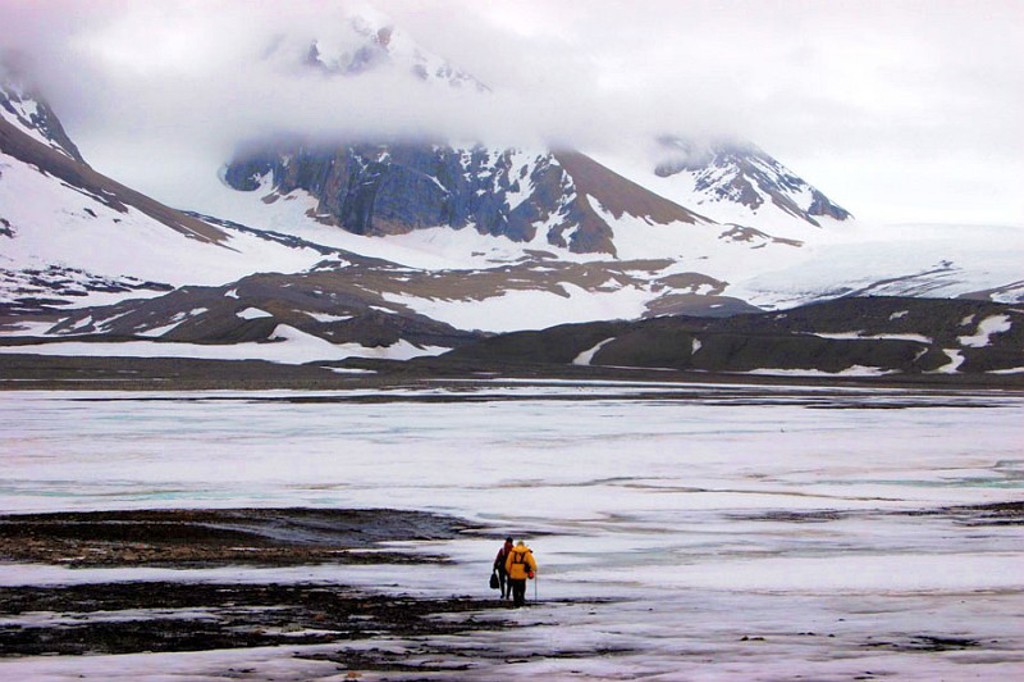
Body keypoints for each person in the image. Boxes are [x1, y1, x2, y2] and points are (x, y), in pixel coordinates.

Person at [504, 539, 538, 607]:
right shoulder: (527, 553)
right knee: (522, 588)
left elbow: (507, 564)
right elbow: (532, 563)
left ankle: (516, 602)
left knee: (515, 588)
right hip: (523, 574)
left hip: (514, 574)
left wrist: (509, 571)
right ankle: (521, 600)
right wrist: (534, 569)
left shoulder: (512, 552)